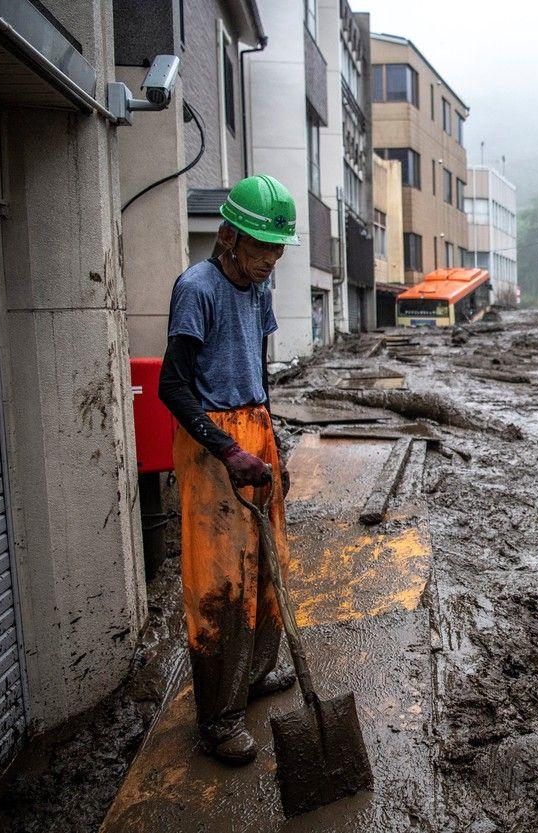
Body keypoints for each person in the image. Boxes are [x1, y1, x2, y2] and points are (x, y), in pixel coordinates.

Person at [158, 174, 299, 764]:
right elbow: (172, 386)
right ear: (231, 237)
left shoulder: (258, 291)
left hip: (253, 429)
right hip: (210, 441)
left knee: (268, 565)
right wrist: (227, 449)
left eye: (278, 250)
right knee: (219, 583)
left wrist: (272, 441)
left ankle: (257, 672)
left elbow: (258, 371)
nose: (271, 261)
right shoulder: (197, 288)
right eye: (262, 247)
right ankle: (218, 718)